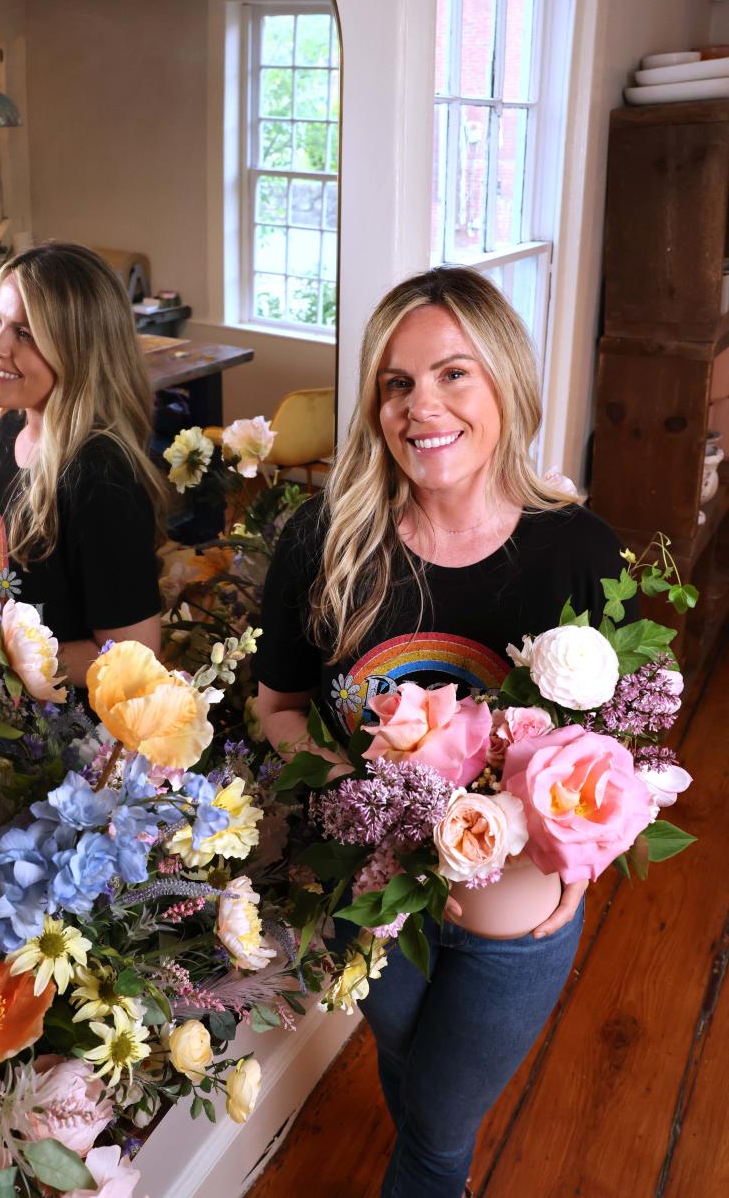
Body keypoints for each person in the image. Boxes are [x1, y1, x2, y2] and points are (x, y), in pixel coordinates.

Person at [252, 266, 636, 1198]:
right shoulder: (327, 542)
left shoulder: (580, 553)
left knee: (434, 1134)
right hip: (368, 904)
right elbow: (277, 707)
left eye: (453, 373)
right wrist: (368, 800)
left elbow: (629, 759)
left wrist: (571, 871)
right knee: (418, 1080)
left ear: (505, 379)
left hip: (514, 920)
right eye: (397, 381)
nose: (421, 405)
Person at [0, 243, 163, 683]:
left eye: (25, 333)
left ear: (79, 351)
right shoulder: (12, 428)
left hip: (56, 743)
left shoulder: (100, 480)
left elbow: (133, 660)